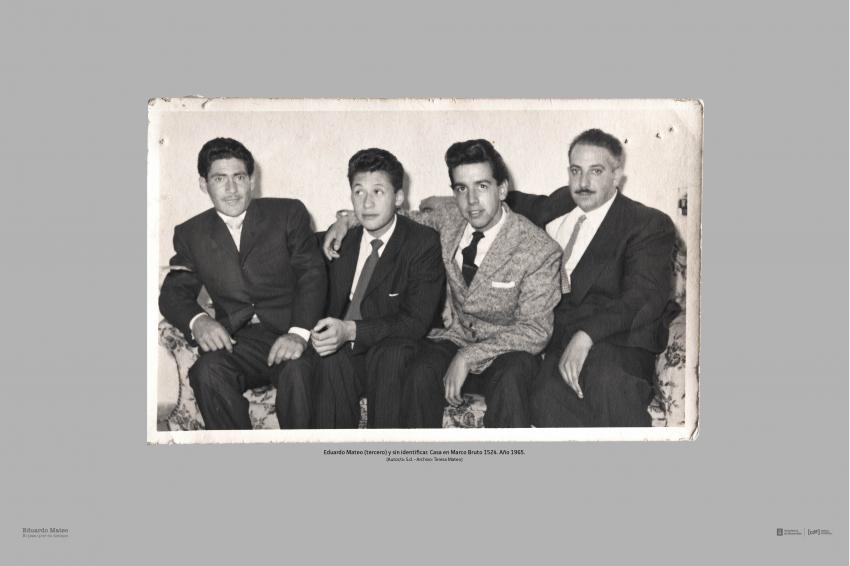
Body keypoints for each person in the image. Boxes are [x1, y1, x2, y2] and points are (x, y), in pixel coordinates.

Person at [325, 140, 562, 427]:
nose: (471, 200)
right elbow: (394, 217)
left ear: (502, 189)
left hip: (508, 351)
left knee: (511, 380)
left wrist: (468, 357)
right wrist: (345, 221)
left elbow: (535, 330)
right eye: (461, 188)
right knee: (418, 372)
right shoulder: (450, 219)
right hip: (454, 337)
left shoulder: (539, 249)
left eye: (482, 186)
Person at [506, 128, 679, 427]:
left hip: (618, 342)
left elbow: (643, 297)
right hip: (561, 341)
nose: (583, 183)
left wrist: (586, 336)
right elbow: (519, 202)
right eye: (576, 171)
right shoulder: (560, 204)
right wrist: (452, 201)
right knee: (545, 398)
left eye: (595, 171)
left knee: (605, 380)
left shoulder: (647, 223)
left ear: (616, 176)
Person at [159, 137, 327, 429]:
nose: (231, 189)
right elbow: (173, 293)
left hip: (291, 331)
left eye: (238, 177)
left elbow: (312, 274)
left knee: (298, 373)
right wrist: (199, 320)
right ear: (203, 184)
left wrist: (299, 333)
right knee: (206, 371)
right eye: (219, 179)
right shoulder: (191, 233)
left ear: (252, 181)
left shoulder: (288, 213)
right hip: (239, 342)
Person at [310, 148, 445, 428]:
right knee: (328, 360)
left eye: (378, 192)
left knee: (389, 357)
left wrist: (350, 330)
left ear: (398, 197)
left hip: (394, 346)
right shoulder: (340, 241)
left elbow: (414, 322)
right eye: (359, 192)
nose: (367, 203)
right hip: (346, 350)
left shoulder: (422, 243)